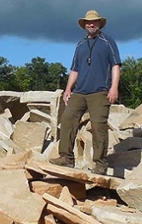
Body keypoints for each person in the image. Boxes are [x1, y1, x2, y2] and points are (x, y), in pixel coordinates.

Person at [50, 10, 121, 174]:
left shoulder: (107, 41)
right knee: (67, 119)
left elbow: (116, 65)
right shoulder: (81, 45)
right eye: (88, 22)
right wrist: (68, 89)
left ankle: (100, 165)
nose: (91, 24)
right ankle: (66, 158)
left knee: (98, 127)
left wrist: (114, 87)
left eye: (94, 22)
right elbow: (75, 69)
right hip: (80, 91)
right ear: (84, 25)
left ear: (99, 23)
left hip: (100, 91)